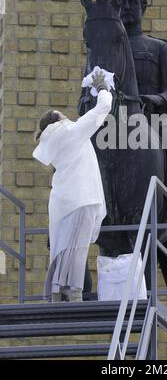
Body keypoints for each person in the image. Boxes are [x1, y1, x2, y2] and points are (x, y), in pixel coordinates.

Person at [119, 0, 167, 241]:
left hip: (154, 120)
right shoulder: (107, 50)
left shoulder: (160, 48)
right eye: (122, 2)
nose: (127, 8)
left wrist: (155, 100)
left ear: (143, 8)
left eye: (133, 2)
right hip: (114, 123)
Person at [33, 70, 112, 302]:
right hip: (81, 197)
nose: (68, 117)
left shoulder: (53, 140)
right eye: (63, 115)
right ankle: (74, 291)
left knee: (63, 247)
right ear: (57, 120)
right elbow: (102, 109)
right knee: (76, 247)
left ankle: (56, 291)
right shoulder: (69, 131)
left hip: (62, 200)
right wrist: (102, 88)